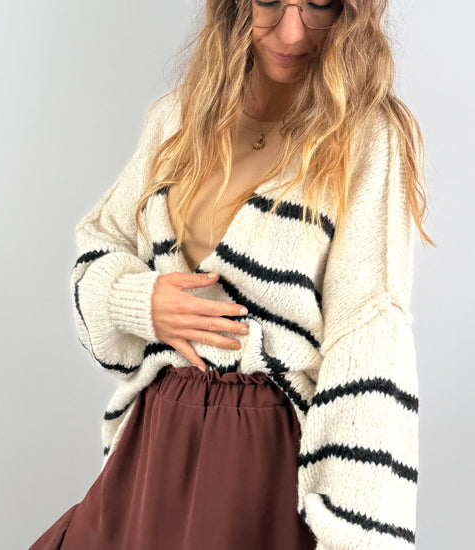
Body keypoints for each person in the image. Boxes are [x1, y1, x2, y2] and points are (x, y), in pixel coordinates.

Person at [29, 1, 433, 548]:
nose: (292, 32)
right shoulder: (177, 119)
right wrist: (141, 303)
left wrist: (359, 536)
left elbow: (369, 333)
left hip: (261, 456)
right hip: (154, 442)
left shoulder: (367, 138)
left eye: (318, 4)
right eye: (269, 2)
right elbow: (101, 243)